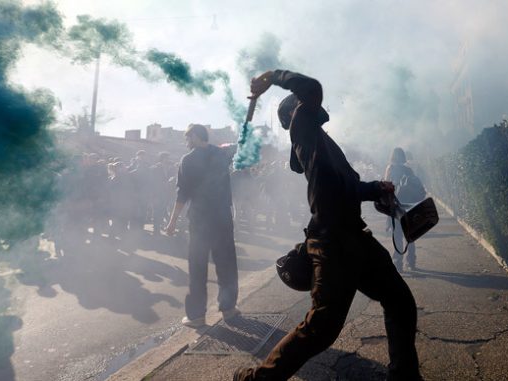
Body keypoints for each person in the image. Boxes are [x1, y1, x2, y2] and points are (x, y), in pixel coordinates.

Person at [233, 70, 421, 380]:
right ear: (297, 110)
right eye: (304, 103)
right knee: (321, 329)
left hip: (354, 239)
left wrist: (376, 188)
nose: (316, 104)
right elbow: (312, 89)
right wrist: (272, 76)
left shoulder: (321, 141)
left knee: (400, 302)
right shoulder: (303, 127)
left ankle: (405, 376)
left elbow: (346, 188)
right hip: (333, 245)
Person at [165, 124, 240, 328]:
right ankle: (229, 309)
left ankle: (197, 316)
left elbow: (182, 194)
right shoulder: (222, 154)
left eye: (188, 137)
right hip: (223, 217)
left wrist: (172, 222)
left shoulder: (188, 160)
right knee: (226, 262)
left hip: (200, 220)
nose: (186, 142)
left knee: (197, 266)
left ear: (196, 136)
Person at [384, 147, 424, 271]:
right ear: (403, 157)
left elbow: (386, 189)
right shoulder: (408, 170)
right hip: (409, 207)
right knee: (410, 235)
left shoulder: (390, 169)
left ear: (392, 156)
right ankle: (411, 262)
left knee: (397, 236)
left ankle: (398, 263)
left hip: (396, 207)